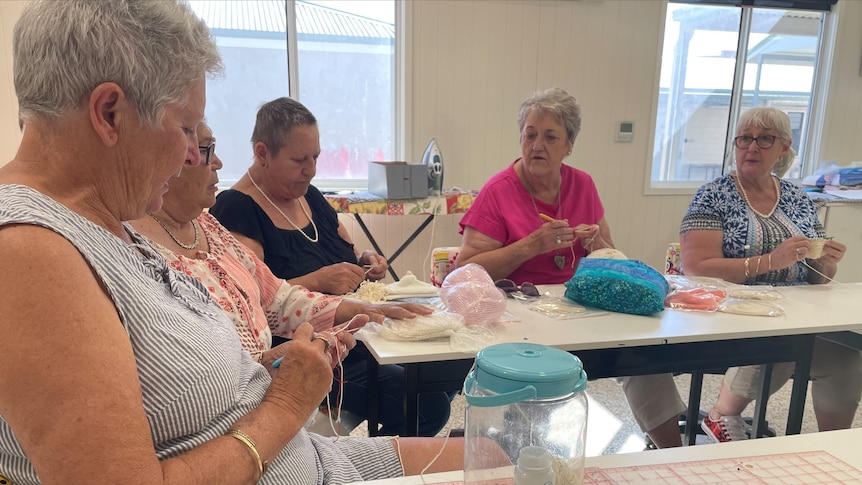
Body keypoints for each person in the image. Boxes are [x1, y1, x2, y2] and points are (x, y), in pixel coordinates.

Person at [0, 2, 462, 484]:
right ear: (109, 113)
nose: (190, 156)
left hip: (314, 457)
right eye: (184, 129)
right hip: (297, 454)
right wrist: (286, 403)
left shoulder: (111, 224)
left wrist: (269, 366)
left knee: (490, 450)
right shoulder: (27, 254)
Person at [131, 121, 450, 436]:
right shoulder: (139, 250)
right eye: (205, 148)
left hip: (286, 376)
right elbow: (188, 379)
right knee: (427, 403)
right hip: (252, 415)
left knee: (436, 377)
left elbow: (276, 297)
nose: (218, 162)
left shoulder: (208, 227)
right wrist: (268, 365)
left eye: (315, 157)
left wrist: (354, 307)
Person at [623, 107, 861, 448]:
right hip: (727, 316)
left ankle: (836, 449)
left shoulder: (798, 199)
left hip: (794, 313)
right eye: (744, 139)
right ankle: (722, 414)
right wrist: (769, 261)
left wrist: (827, 264)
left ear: (783, 147)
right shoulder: (714, 195)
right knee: (780, 337)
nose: (752, 147)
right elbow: (696, 266)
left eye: (764, 139)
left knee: (845, 358)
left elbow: (817, 279)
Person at [209, 97, 387, 296]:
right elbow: (249, 297)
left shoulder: (310, 196)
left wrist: (364, 262)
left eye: (315, 157)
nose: (311, 170)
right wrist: (316, 281)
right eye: (299, 160)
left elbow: (349, 257)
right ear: (262, 153)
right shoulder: (236, 210)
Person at [454, 88, 615, 284]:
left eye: (550, 137)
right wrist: (532, 245)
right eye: (530, 135)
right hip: (517, 303)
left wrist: (596, 244)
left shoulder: (584, 185)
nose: (537, 146)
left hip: (577, 304)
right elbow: (465, 271)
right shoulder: (497, 191)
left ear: (569, 145)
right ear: (521, 138)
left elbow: (612, 258)